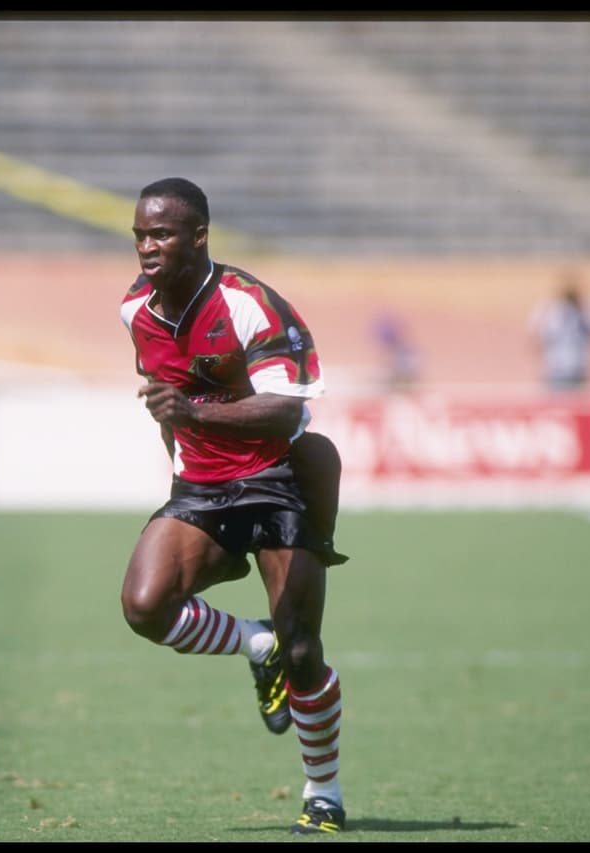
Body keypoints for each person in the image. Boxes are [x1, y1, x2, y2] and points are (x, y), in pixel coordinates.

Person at [119, 178, 350, 835]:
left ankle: (324, 791)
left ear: (198, 236)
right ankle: (255, 641)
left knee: (304, 650)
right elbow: (166, 400)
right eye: (140, 234)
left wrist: (191, 411)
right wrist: (182, 462)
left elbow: (286, 407)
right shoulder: (135, 310)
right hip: (201, 486)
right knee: (145, 604)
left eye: (161, 233)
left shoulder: (250, 304)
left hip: (279, 479)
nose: (147, 245)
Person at [528, 270, 590, 392]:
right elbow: (534, 340)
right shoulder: (548, 308)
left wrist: (583, 315)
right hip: (554, 370)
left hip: (580, 369)